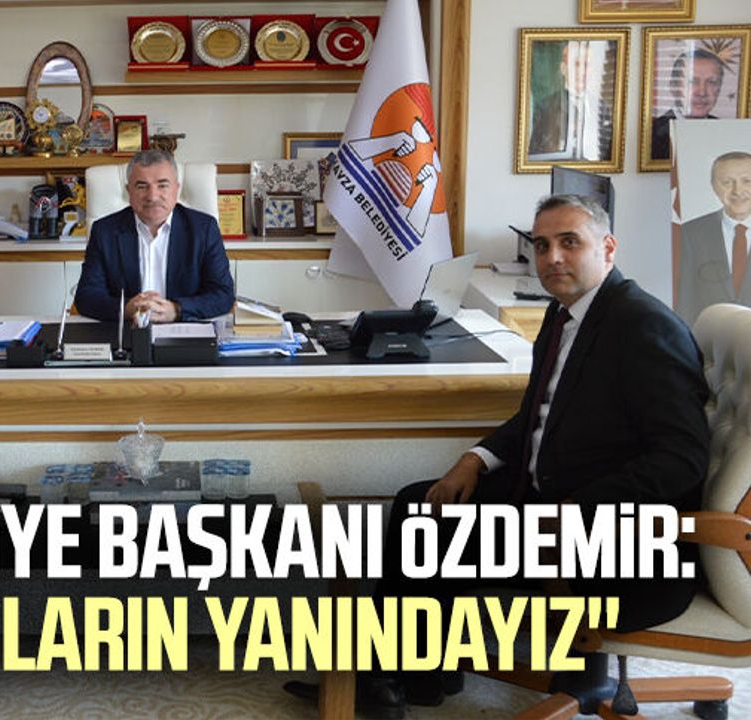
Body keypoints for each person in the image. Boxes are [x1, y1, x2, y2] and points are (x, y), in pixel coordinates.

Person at [286, 194, 710, 717]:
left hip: (616, 547)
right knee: (422, 504)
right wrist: (474, 460)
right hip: (550, 504)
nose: (552, 257)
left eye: (569, 242)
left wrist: (576, 510)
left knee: (427, 532)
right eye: (542, 245)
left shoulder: (644, 326)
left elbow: (682, 459)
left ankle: (387, 679)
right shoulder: (564, 315)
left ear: (608, 247)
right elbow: (536, 418)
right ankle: (412, 676)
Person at [74, 149, 234, 323]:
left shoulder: (203, 229)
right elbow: (87, 296)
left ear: (177, 189)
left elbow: (223, 294)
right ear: (129, 191)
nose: (152, 196)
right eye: (142, 186)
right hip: (127, 330)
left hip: (184, 329)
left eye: (162, 185)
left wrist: (177, 310)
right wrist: (126, 308)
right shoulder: (105, 231)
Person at [677, 151, 751, 325]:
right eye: (727, 182)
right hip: (708, 337)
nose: (737, 191)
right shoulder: (690, 233)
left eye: (747, 181)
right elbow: (684, 301)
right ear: (714, 187)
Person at [651, 48, 725, 162]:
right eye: (692, 82)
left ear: (719, 89)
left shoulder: (726, 132)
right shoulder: (652, 135)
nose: (702, 92)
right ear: (673, 86)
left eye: (711, 82)